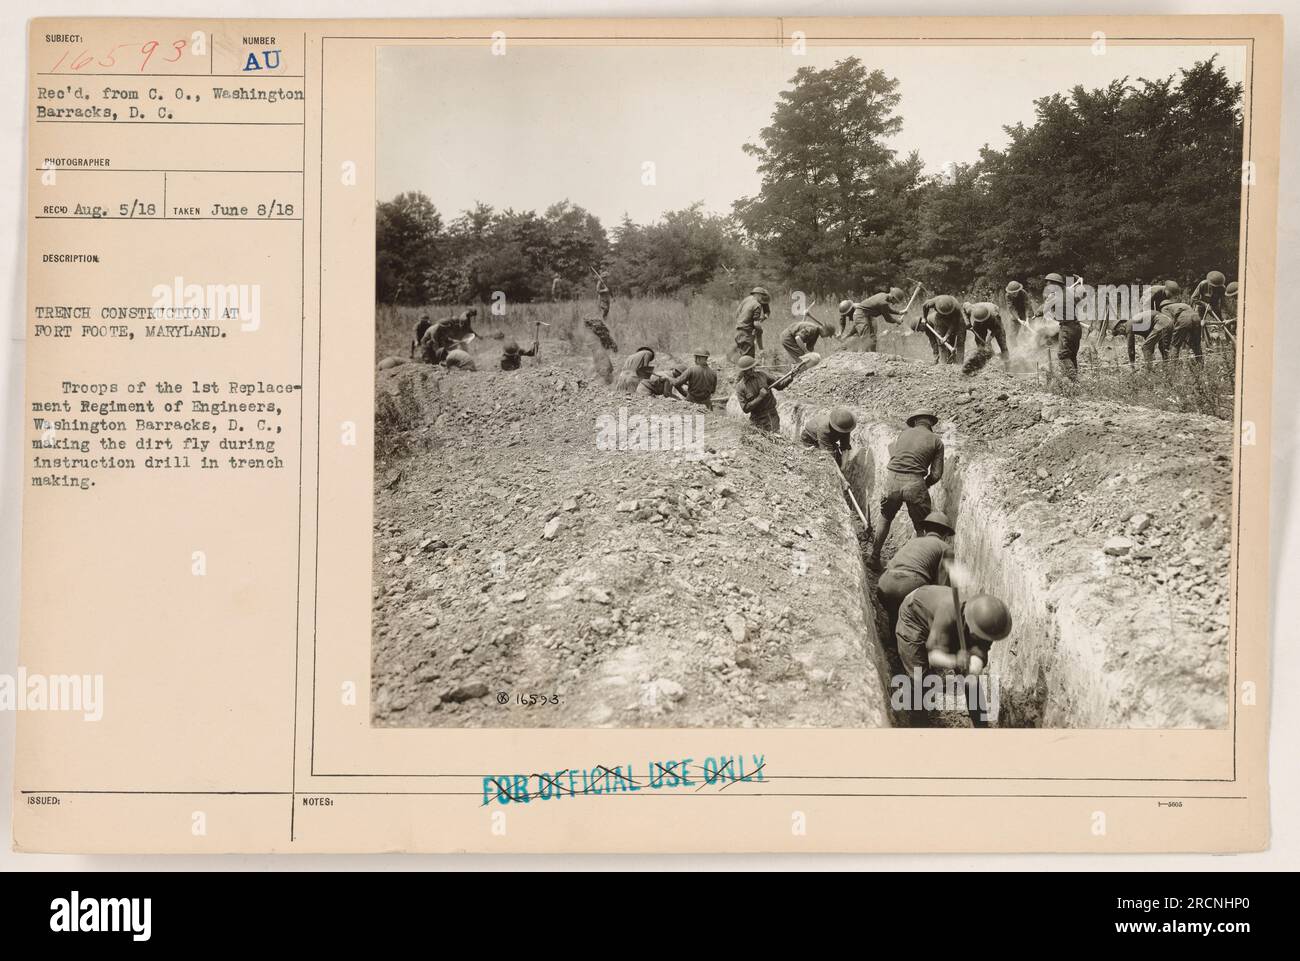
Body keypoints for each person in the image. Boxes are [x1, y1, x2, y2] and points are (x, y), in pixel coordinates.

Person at [869, 408, 945, 567]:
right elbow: (936, 474)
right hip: (915, 482)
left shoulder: (903, 434)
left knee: (885, 517)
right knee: (921, 528)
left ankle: (873, 557)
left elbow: (895, 453)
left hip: (892, 480)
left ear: (915, 421)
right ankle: (916, 567)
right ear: (930, 422)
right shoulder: (936, 441)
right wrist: (925, 484)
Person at [893, 585, 1013, 678]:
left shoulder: (987, 626)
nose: (988, 641)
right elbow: (933, 657)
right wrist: (955, 661)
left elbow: (978, 654)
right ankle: (917, 708)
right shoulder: (949, 613)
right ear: (972, 628)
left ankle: (978, 711)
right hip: (914, 615)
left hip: (943, 621)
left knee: (970, 680)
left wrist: (974, 668)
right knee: (919, 677)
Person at [877, 511, 954, 629]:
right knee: (918, 617)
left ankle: (893, 641)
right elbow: (942, 587)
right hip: (908, 586)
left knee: (896, 613)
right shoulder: (945, 548)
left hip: (884, 583)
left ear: (925, 530)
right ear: (945, 535)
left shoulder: (913, 542)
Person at [734, 355, 793, 433]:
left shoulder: (762, 375)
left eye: (753, 368)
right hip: (756, 419)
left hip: (771, 416)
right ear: (744, 371)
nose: (753, 370)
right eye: (750, 369)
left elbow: (779, 385)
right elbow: (745, 409)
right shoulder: (740, 387)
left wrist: (791, 377)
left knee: (775, 439)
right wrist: (760, 397)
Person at [839, 288, 907, 350]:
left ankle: (872, 356)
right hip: (861, 315)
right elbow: (888, 319)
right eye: (896, 301)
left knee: (872, 337)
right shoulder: (883, 303)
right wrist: (896, 321)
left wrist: (899, 312)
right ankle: (864, 355)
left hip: (868, 316)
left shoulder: (883, 295)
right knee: (866, 337)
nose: (895, 304)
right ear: (893, 298)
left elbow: (887, 309)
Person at [918, 294, 964, 364]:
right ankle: (944, 363)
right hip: (940, 317)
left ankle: (959, 365)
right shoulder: (933, 302)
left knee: (960, 341)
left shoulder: (956, 308)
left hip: (957, 319)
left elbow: (953, 324)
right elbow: (925, 306)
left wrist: (946, 336)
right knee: (940, 340)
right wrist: (924, 317)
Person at [734, 286, 771, 358]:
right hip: (747, 335)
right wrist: (759, 330)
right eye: (762, 297)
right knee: (748, 360)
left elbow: (737, 313)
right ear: (759, 295)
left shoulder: (746, 300)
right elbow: (756, 324)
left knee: (743, 360)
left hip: (738, 333)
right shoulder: (757, 305)